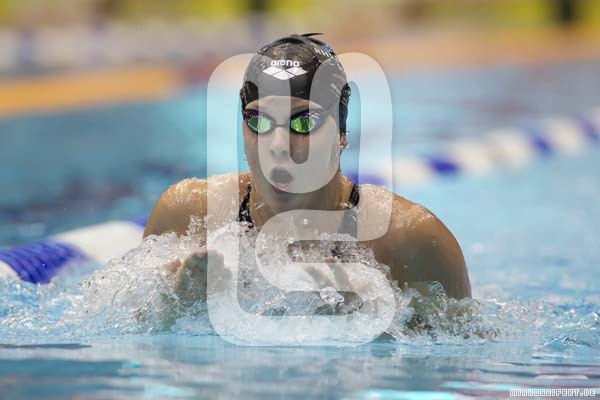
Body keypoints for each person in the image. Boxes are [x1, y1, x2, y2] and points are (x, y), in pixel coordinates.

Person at [143, 33, 471, 320]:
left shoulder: (411, 241)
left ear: (341, 133)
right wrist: (174, 312)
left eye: (303, 122)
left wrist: (371, 326)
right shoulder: (189, 217)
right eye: (259, 121)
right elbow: (133, 340)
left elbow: (459, 356)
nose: (278, 145)